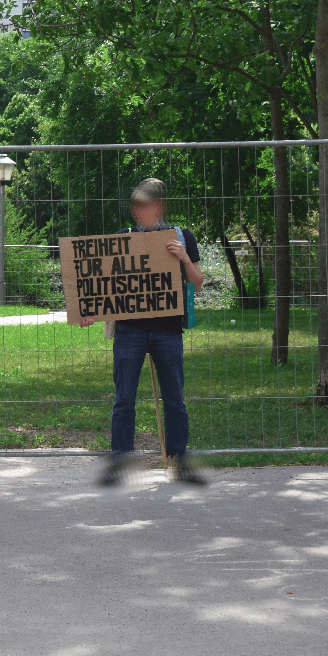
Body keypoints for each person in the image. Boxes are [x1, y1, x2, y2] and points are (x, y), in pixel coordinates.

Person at [85, 178, 207, 486]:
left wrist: (183, 258)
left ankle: (180, 462)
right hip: (130, 331)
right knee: (124, 399)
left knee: (175, 399)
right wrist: (89, 311)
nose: (140, 210)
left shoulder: (182, 237)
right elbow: (106, 287)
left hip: (168, 331)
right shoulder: (122, 239)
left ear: (160, 206)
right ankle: (119, 461)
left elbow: (197, 282)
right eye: (137, 205)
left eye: (146, 204)